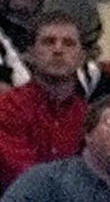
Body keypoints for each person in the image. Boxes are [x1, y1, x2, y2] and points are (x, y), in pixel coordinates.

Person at [0, 13, 86, 191]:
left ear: (82, 57)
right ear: (30, 54)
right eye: (48, 42)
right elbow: (21, 176)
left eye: (68, 43)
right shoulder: (7, 107)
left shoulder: (89, 116)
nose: (58, 50)